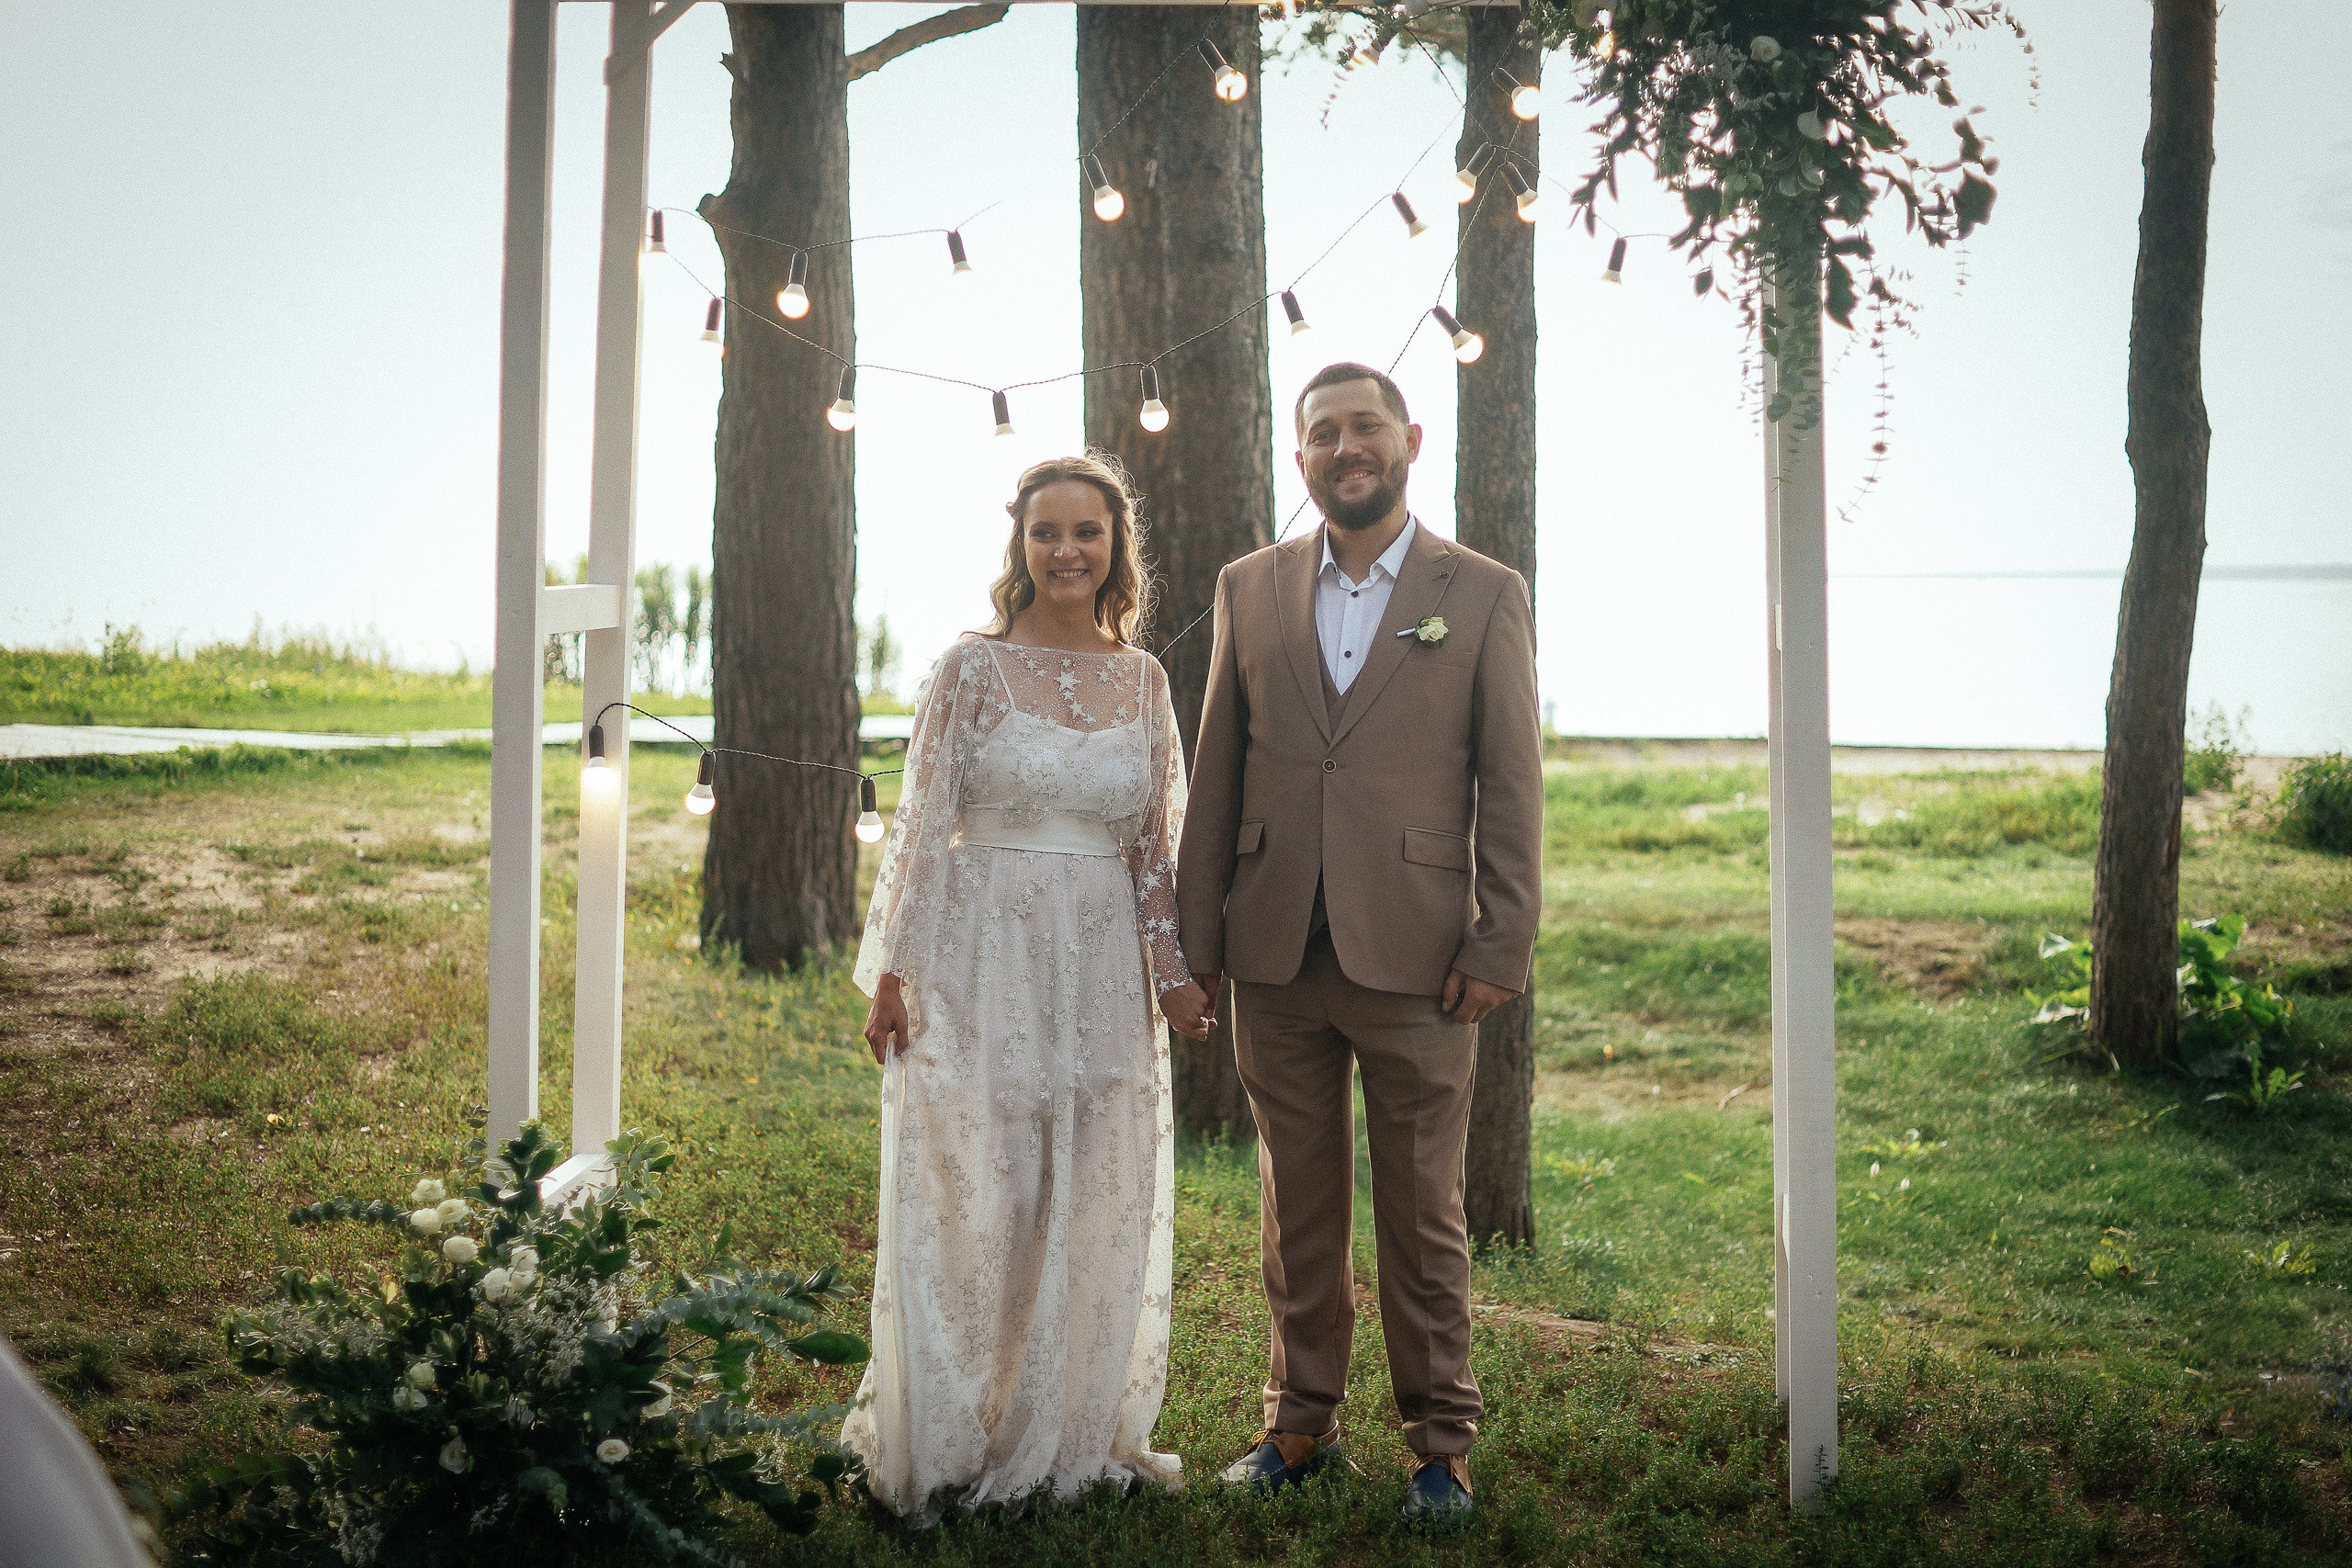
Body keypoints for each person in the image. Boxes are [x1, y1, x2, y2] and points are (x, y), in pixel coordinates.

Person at [1176, 363, 1544, 1526]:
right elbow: (1215, 772)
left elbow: (1513, 782)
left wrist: (1500, 940)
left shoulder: (1477, 592)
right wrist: (1194, 947)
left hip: (1421, 958)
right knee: (1294, 1203)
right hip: (1274, 950)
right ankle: (1299, 1422)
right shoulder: (1250, 585)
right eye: (1324, 433)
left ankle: (1440, 1445)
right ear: (1300, 460)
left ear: (1408, 440)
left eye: (1366, 428)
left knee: (1424, 1212)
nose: (1347, 447)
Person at [844, 451, 1216, 1522]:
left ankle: (1063, 1427)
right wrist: (895, 974)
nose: (1066, 551)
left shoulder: (1141, 682)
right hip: (979, 951)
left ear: (1115, 550)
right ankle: (953, 1429)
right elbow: (919, 826)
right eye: (1046, 532)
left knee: (1088, 1179)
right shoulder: (969, 668)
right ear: (1020, 546)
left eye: (1086, 533)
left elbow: (1155, 849)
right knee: (975, 1184)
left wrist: (1172, 976)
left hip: (1098, 958)